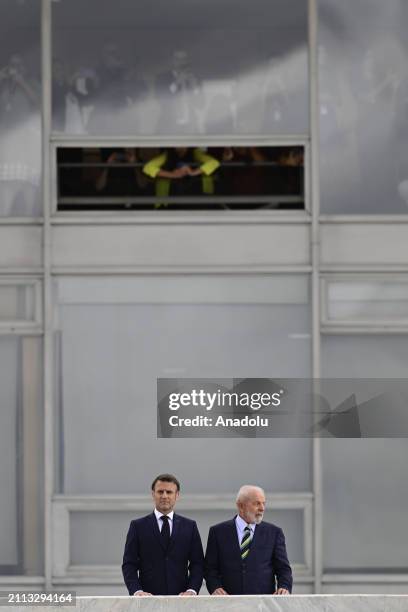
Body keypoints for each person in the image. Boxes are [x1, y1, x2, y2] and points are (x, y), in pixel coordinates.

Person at [122, 474, 204, 596]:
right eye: (160, 492)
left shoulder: (190, 526)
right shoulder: (137, 526)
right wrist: (137, 591)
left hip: (182, 600)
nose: (164, 496)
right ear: (153, 494)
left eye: (169, 492)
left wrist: (192, 590)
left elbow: (198, 563)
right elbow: (129, 564)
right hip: (147, 600)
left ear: (177, 495)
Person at [204, 485, 292, 595]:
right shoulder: (218, 532)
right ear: (241, 506)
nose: (262, 508)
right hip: (227, 603)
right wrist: (214, 587)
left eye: (264, 503)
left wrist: (284, 587)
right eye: (257, 503)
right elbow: (210, 569)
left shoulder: (274, 533)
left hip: (263, 604)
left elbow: (283, 569)